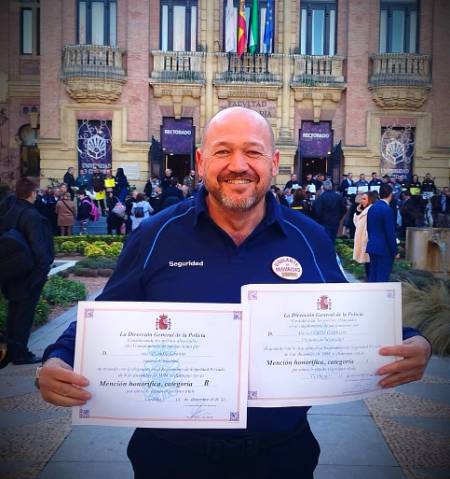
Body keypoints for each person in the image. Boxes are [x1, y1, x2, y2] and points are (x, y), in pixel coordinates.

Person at [37, 108, 431, 479]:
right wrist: (57, 359)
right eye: (223, 151)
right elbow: (106, 316)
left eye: (253, 152)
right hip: (169, 456)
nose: (238, 165)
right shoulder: (155, 235)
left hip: (281, 456)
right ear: (201, 160)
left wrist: (411, 339)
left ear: (274, 163)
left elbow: (349, 319)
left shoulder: (308, 237)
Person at [0, 177, 54, 366]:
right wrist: (42, 270)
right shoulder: (30, 215)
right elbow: (39, 246)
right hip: (28, 272)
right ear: (32, 193)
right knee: (23, 314)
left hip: (11, 270)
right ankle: (20, 353)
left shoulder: (10, 211)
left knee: (15, 312)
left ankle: (13, 350)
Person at [366, 183, 399, 282]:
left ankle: (371, 297)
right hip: (385, 249)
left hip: (373, 245)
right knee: (382, 278)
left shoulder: (372, 207)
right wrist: (395, 251)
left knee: (373, 275)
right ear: (390, 195)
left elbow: (369, 228)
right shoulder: (387, 210)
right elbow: (390, 233)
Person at [312, 180, 347, 244]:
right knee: (332, 240)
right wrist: (338, 217)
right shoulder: (338, 197)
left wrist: (319, 220)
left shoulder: (321, 197)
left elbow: (317, 212)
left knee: (325, 242)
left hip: (324, 223)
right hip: (335, 222)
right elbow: (344, 209)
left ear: (323, 188)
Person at [353, 191, 378, 279]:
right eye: (361, 199)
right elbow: (358, 224)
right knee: (367, 266)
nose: (361, 201)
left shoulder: (371, 210)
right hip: (365, 242)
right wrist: (358, 212)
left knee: (370, 267)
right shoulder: (364, 210)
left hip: (368, 243)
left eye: (364, 199)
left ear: (370, 200)